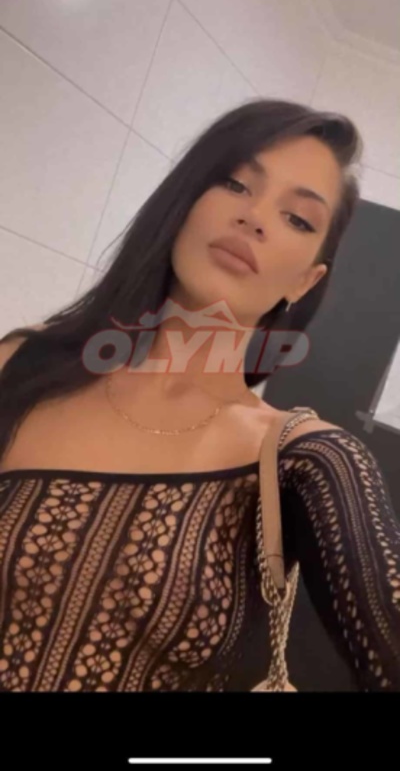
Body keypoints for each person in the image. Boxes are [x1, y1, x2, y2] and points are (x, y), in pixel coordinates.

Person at [0, 99, 399, 692]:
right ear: (185, 202)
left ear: (305, 279)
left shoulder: (306, 460)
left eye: (297, 219)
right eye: (236, 183)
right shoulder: (21, 367)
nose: (255, 218)